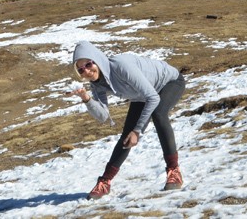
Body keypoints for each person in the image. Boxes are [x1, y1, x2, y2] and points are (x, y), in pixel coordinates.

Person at [70, 40, 186, 199]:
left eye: (89, 64)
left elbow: (152, 97)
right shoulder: (96, 85)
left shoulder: (120, 66)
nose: (87, 71)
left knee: (158, 114)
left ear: (97, 59)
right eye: (81, 70)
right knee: (126, 137)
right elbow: (103, 116)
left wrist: (137, 131)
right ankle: (105, 182)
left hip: (169, 82)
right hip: (141, 95)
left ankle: (174, 171)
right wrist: (86, 98)